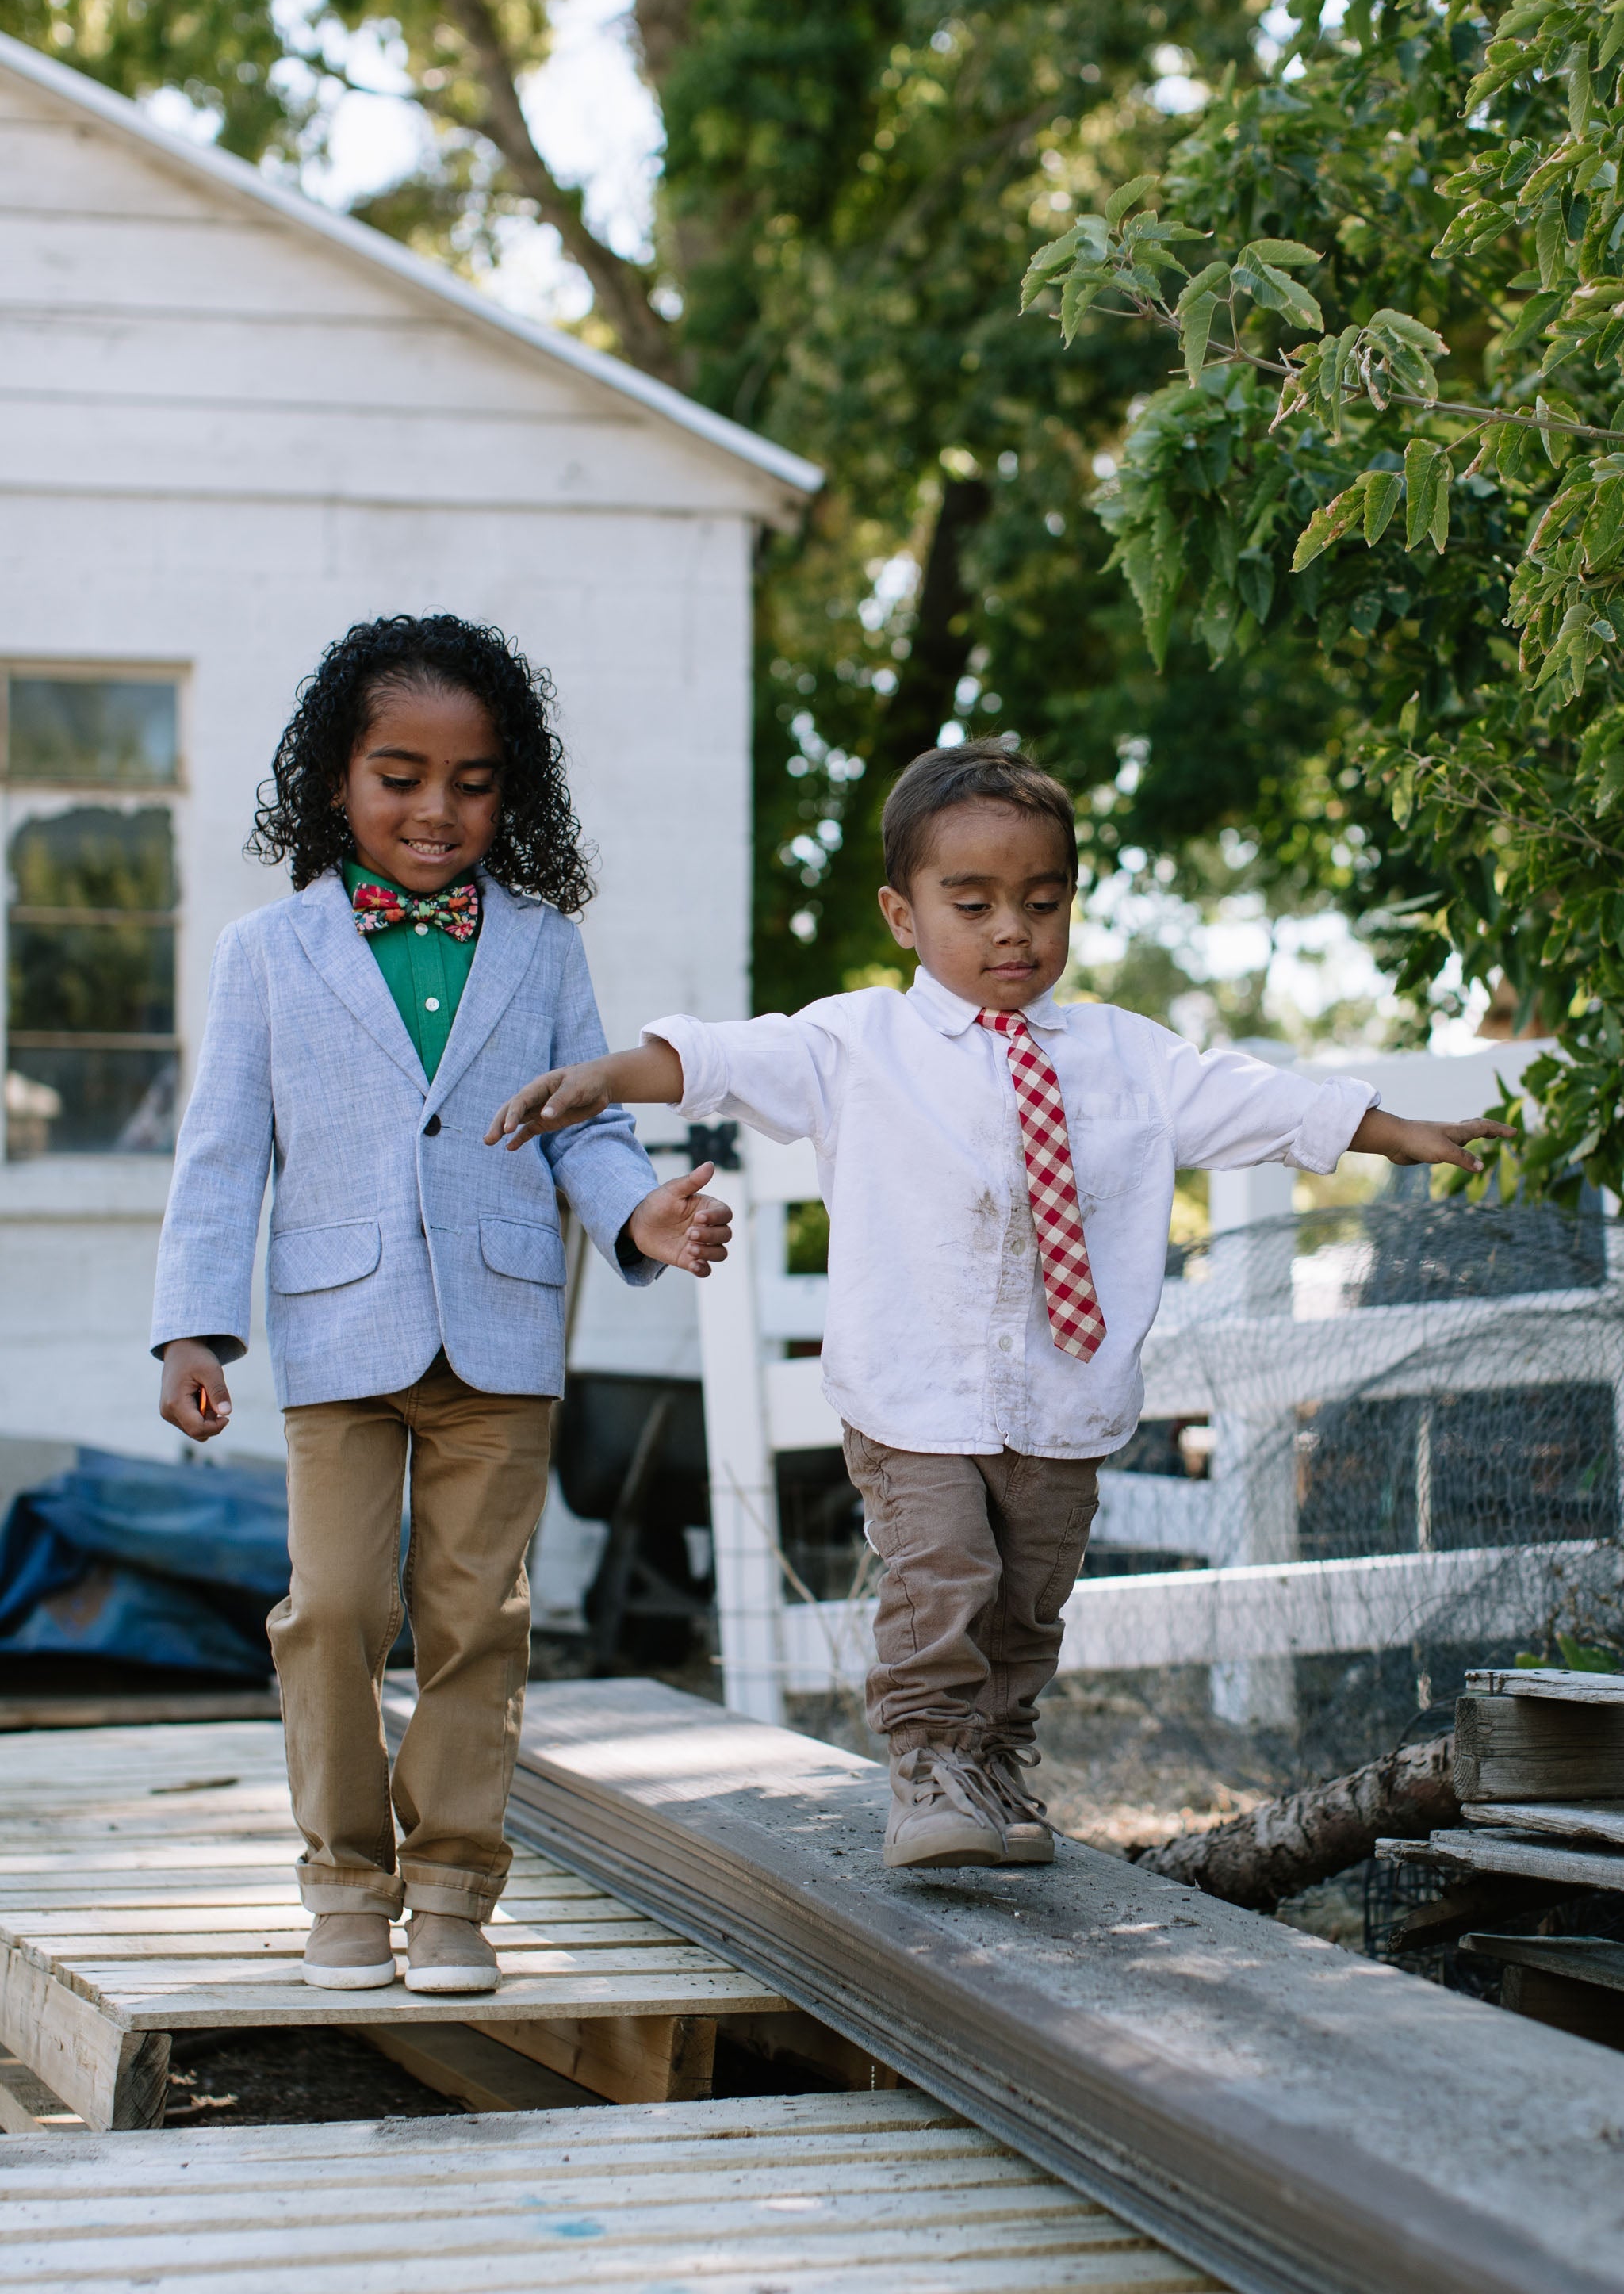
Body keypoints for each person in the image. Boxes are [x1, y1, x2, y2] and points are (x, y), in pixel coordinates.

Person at [485, 738, 1513, 1873]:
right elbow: (725, 1060)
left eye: (1041, 901)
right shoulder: (856, 1042)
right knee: (944, 1578)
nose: (1012, 930)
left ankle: (997, 1763)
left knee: (1027, 1602)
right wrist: (603, 1077)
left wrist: (1392, 1130)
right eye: (971, 903)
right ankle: (927, 1768)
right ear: (902, 913)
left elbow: (1255, 1100)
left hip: (1062, 1397)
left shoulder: (1126, 1055)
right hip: (914, 1392)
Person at [151, 614, 730, 1990]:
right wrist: (192, 1322)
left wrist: (636, 1210)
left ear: (510, 792)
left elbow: (579, 1120)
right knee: (337, 1608)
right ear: (335, 781)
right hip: (338, 1333)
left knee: (479, 1620)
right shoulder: (268, 953)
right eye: (400, 775)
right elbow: (225, 1149)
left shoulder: (540, 945)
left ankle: (456, 1890)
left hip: (504, 1332)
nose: (436, 808)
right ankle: (344, 1883)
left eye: (473, 784)